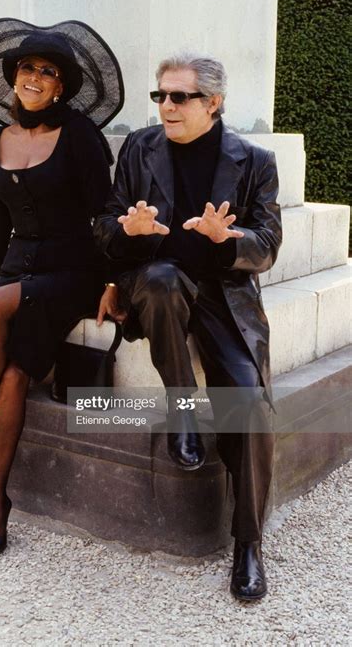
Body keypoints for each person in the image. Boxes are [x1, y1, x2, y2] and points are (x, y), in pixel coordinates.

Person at [94, 52, 282, 600]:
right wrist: (126, 231)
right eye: (160, 96)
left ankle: (248, 543)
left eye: (179, 97)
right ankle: (182, 412)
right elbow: (106, 227)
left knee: (247, 400)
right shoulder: (139, 148)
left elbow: (267, 247)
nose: (166, 107)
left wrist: (230, 241)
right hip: (157, 285)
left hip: (223, 295)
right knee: (160, 278)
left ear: (214, 103)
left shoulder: (255, 160)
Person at [0, 18, 124, 559]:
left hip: (72, 271)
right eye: (28, 67)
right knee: (11, 375)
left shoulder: (80, 138)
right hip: (13, 270)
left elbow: (108, 214)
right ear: (14, 76)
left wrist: (115, 280)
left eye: (48, 72)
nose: (35, 77)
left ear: (62, 87)